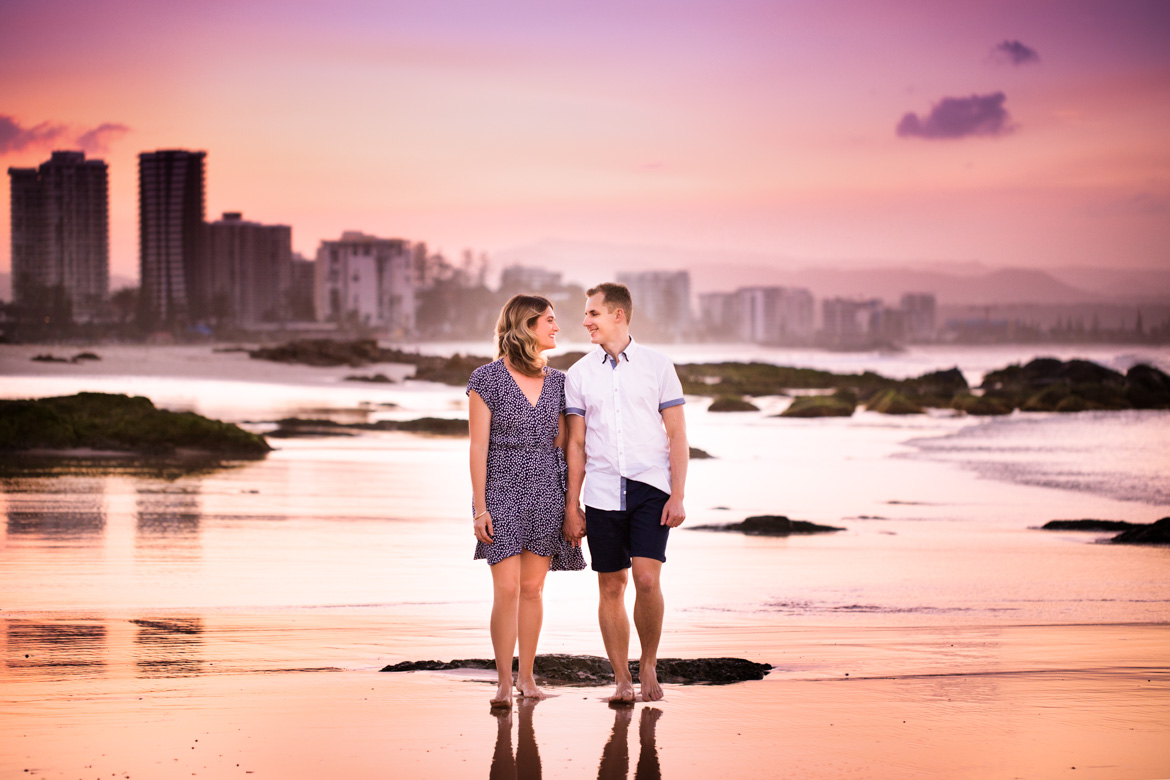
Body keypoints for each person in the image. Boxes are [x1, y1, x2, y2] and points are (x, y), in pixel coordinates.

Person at [562, 283, 688, 703]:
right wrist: (572, 505)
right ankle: (621, 678)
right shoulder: (579, 374)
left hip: (651, 487)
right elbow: (575, 445)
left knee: (647, 580)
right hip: (600, 492)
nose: (585, 322)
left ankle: (648, 664)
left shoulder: (658, 365)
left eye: (593, 314)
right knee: (611, 585)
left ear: (618, 314)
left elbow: (677, 435)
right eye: (586, 314)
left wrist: (679, 494)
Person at [468, 294, 586, 708]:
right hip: (500, 488)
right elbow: (478, 447)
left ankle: (528, 678)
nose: (557, 327)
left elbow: (568, 444)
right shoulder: (486, 379)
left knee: (534, 588)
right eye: (549, 321)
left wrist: (572, 504)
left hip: (546, 490)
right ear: (527, 325)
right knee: (507, 587)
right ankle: (503, 682)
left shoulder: (560, 382)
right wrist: (480, 507)